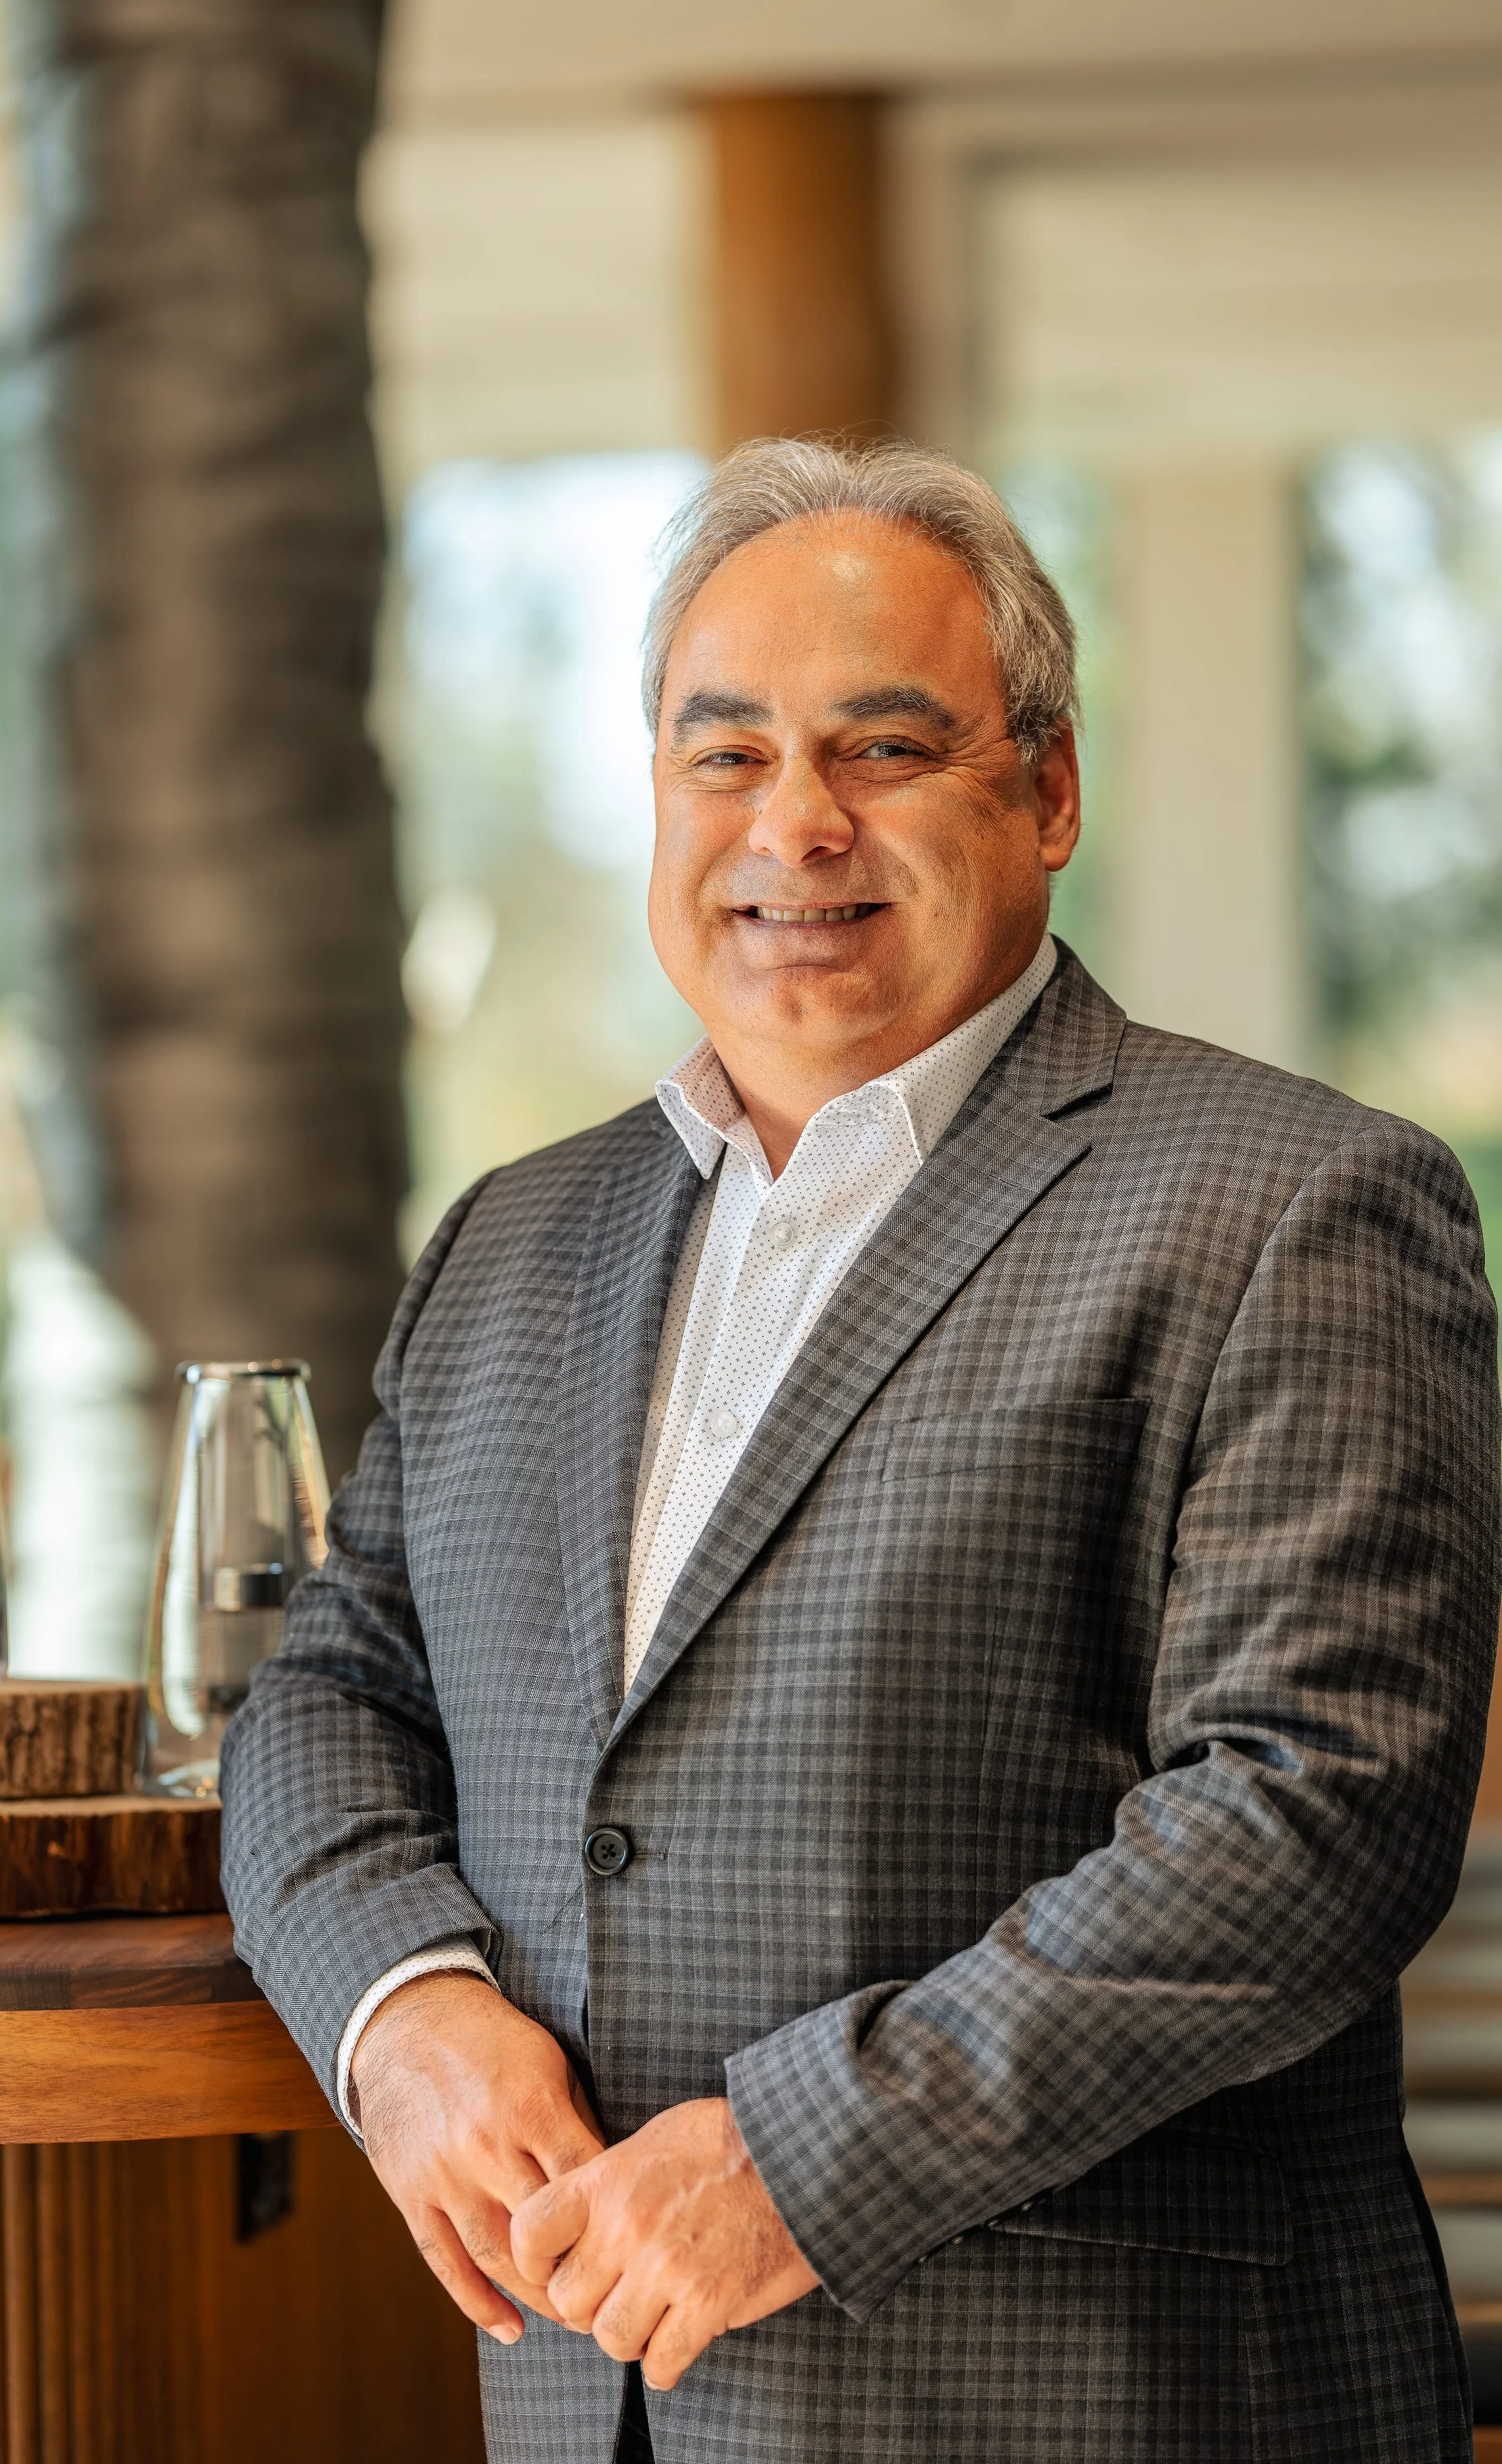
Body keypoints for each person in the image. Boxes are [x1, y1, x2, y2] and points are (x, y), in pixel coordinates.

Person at [221, 438, 1500, 2464]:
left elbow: (1309, 1823)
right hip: (591, 2402)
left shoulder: (1297, 1203)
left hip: (1102, 2406)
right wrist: (399, 2007)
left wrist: (804, 2157)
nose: (788, 824)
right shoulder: (508, 1237)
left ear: (1046, 790)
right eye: (719, 753)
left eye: (881, 749)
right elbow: (335, 1678)